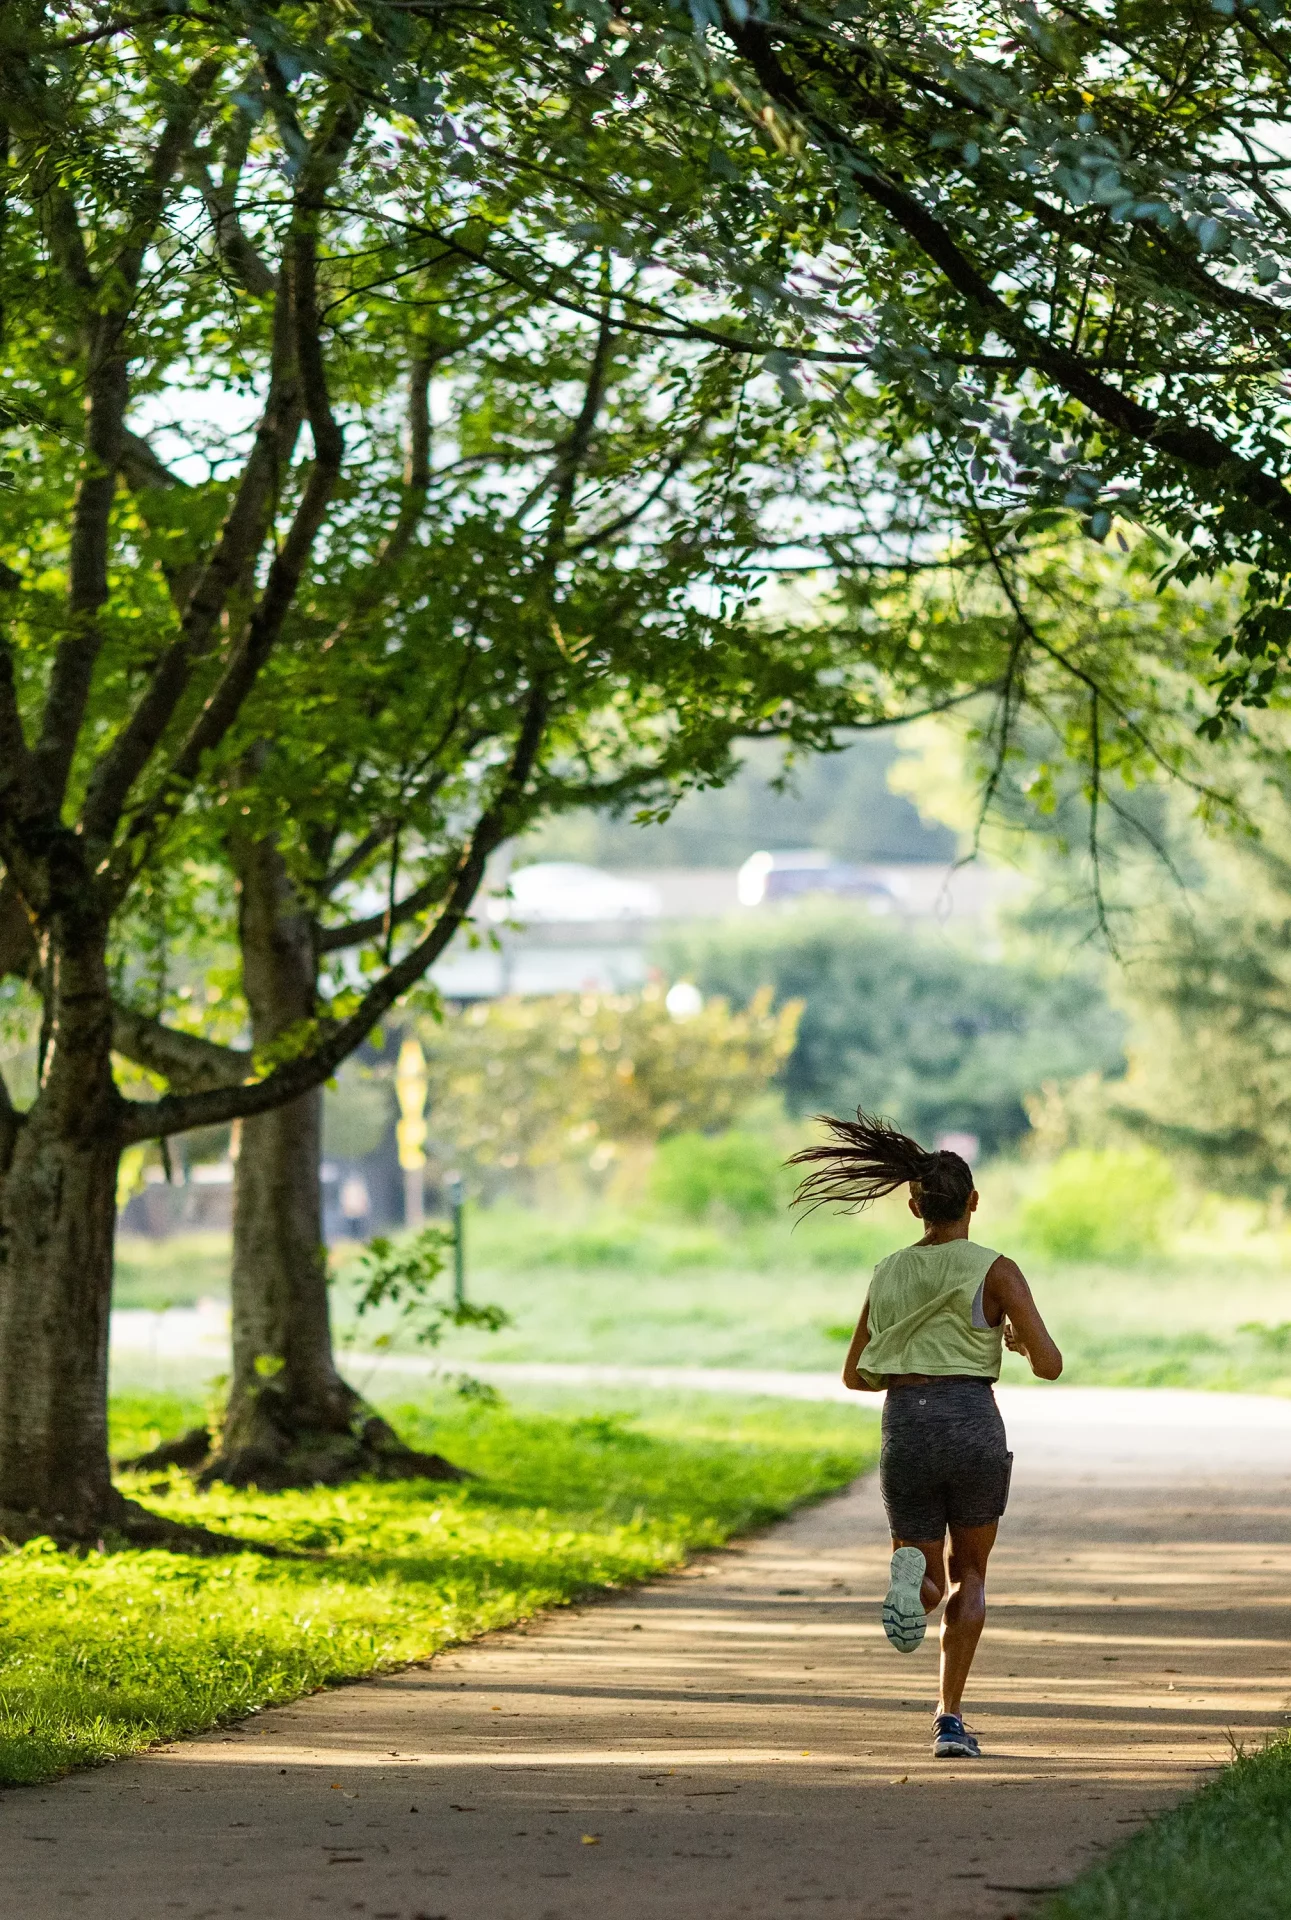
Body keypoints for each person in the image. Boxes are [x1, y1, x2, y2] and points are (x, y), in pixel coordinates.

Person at [790, 1109, 1062, 1760]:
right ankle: (948, 1719)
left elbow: (856, 1374)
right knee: (972, 1575)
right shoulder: (995, 1269)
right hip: (971, 1420)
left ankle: (912, 1585)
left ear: (914, 1208)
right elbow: (1050, 1364)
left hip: (905, 1424)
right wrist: (1015, 1341)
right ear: (972, 1202)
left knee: (926, 1569)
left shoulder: (886, 1272)